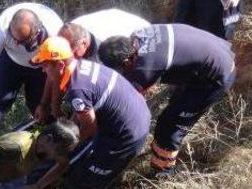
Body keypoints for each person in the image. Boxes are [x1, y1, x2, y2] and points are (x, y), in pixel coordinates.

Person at [31, 37, 151, 189]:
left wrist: (70, 147)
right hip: (134, 117)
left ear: (60, 65)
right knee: (80, 159)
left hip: (125, 136)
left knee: (84, 177)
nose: (44, 71)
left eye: (46, 66)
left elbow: (89, 127)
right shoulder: (83, 67)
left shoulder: (77, 89)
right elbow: (83, 116)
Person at [98, 23, 236, 177]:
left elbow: (127, 100)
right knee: (174, 108)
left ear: (127, 62)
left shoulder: (145, 68)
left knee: (169, 126)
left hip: (216, 77)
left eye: (119, 69)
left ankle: (163, 173)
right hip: (217, 51)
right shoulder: (138, 35)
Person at [0, 3, 63, 136]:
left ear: (37, 32)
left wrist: (45, 104)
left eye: (23, 41)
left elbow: (55, 74)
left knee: (38, 106)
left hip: (42, 67)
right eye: (15, 39)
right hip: (11, 60)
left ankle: (45, 135)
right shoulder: (1, 29)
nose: (18, 44)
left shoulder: (55, 32)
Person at [59, 9, 151, 63]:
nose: (69, 56)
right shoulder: (71, 29)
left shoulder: (106, 48)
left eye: (73, 52)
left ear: (84, 43)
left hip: (146, 39)